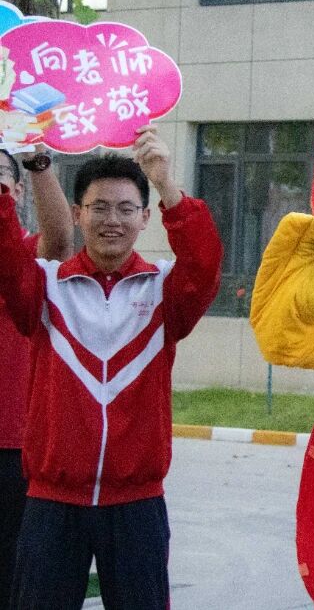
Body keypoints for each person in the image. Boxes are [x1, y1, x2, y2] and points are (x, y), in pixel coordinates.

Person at [0, 126, 222, 609]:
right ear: (77, 214)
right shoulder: (46, 286)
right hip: (52, 503)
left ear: (145, 218)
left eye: (125, 209)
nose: (112, 220)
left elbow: (205, 264)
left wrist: (165, 182)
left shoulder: (162, 289)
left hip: (137, 504)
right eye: (99, 208)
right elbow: (7, 261)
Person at [0, 146, 74, 604]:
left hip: (14, 446)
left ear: (18, 191)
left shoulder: (28, 254)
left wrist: (38, 163)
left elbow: (61, 239)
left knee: (15, 577)